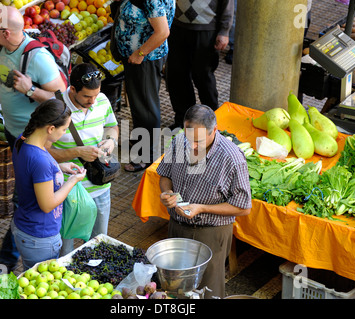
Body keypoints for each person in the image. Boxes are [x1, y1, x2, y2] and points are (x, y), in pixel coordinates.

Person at [0, 5, 67, 274]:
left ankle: (10, 257)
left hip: (34, 140)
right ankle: (16, 252)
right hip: (14, 133)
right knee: (26, 194)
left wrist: (30, 89)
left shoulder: (37, 58)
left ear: (6, 32)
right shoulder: (3, 50)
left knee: (24, 196)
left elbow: (61, 100)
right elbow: (9, 83)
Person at [157, 104, 251, 299]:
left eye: (198, 141)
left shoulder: (231, 158)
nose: (192, 146)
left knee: (207, 291)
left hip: (210, 234)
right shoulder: (180, 141)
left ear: (214, 131)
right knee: (173, 288)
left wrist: (201, 208)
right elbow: (164, 175)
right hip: (177, 226)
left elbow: (243, 207)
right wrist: (167, 193)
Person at [47, 63, 119, 256]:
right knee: (65, 250)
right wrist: (77, 152)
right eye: (87, 96)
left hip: (100, 186)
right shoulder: (56, 109)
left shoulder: (102, 100)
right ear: (72, 89)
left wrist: (110, 141)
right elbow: (42, 151)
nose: (93, 101)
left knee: (99, 244)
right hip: (68, 191)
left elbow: (112, 127)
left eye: (96, 95)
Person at [11, 99, 86, 270]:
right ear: (51, 129)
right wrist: (72, 181)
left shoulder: (22, 140)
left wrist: (58, 168)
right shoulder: (40, 161)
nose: (65, 133)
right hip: (39, 236)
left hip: (24, 225)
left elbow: (31, 172)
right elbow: (47, 204)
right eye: (64, 129)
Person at [113, 0, 175, 172]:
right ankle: (141, 141)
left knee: (145, 106)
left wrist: (140, 53)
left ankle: (145, 157)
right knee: (141, 102)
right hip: (142, 58)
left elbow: (163, 31)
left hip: (145, 60)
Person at [166, 0, 234, 130]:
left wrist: (224, 31)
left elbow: (227, 4)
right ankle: (183, 120)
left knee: (203, 77)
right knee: (177, 76)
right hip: (178, 26)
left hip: (206, 30)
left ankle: (212, 121)